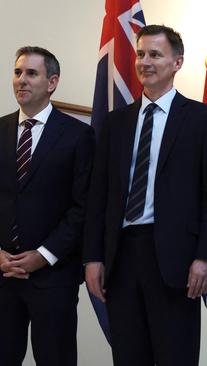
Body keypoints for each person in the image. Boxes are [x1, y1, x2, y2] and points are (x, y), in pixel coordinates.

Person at [83, 25, 207, 365]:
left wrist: (206, 257)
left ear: (177, 62)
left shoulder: (203, 120)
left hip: (176, 261)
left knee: (174, 355)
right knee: (129, 355)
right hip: (120, 257)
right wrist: (92, 257)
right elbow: (98, 196)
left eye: (155, 54)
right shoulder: (116, 122)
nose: (144, 62)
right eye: (140, 54)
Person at [0, 46, 94, 366]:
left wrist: (43, 255)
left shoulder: (79, 136)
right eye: (17, 72)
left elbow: (83, 207)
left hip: (53, 277)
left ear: (52, 82)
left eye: (31, 73)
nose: (21, 80)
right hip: (2, 273)